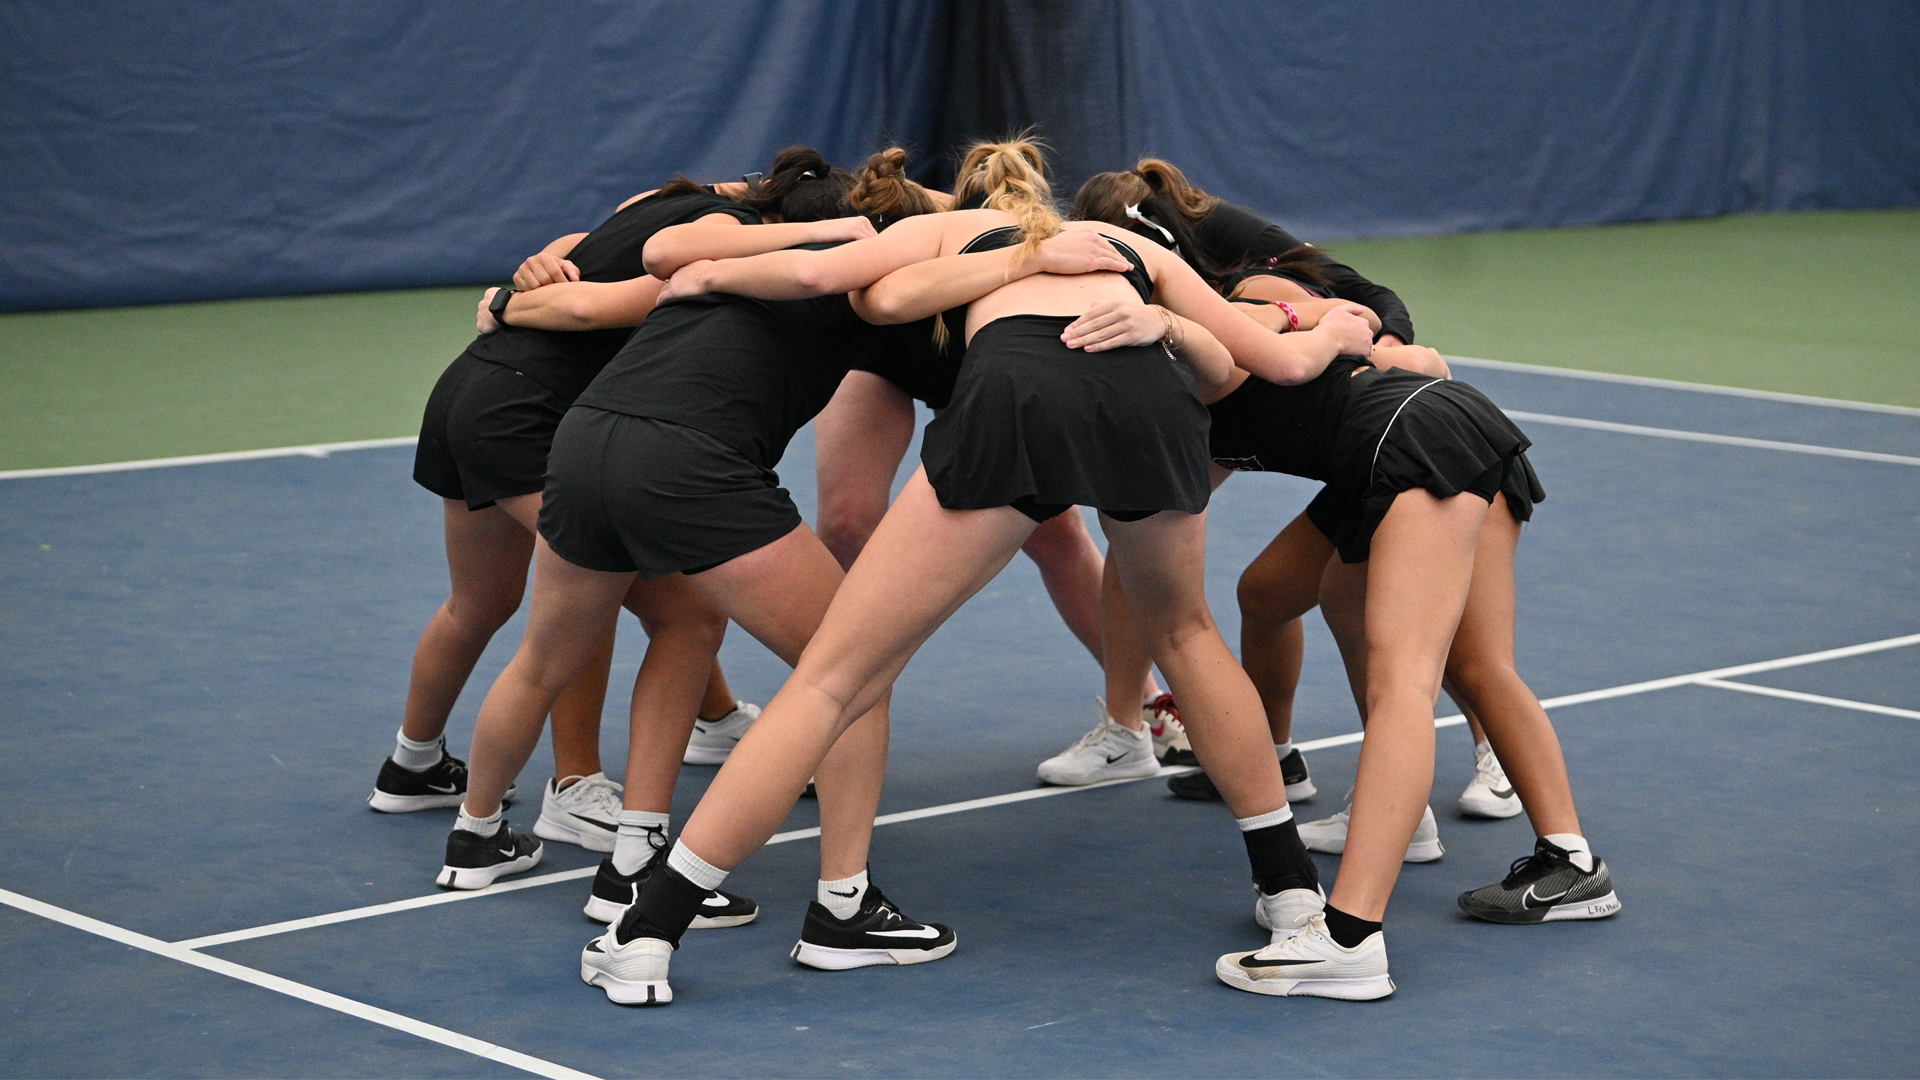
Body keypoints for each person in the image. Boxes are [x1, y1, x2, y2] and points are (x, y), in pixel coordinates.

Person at [592, 137, 1371, 1006]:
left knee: (832, 678)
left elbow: (843, 286)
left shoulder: (956, 231)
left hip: (1021, 398)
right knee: (1187, 634)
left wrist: (708, 278)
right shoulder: (1134, 250)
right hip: (1150, 402)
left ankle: (649, 928)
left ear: (965, 199)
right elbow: (1262, 369)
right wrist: (1324, 324)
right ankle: (1291, 888)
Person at [369, 153, 860, 842]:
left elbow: (569, 250)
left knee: (481, 602)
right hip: (528, 416)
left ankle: (413, 764)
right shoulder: (710, 250)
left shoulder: (656, 198)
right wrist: (510, 301)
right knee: (610, 590)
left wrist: (525, 275)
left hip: (467, 393)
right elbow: (583, 301)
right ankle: (575, 784)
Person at [648, 151, 1192, 769]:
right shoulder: (786, 214)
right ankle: (824, 709)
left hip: (974, 343)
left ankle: (1149, 702)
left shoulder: (943, 213)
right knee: (848, 524)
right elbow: (670, 235)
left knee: (1056, 534)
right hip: (875, 349)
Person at [1068, 158, 1521, 822]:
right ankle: (1270, 757)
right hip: (1359, 471)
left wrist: (1344, 338)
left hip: (1439, 465)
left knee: (1442, 646)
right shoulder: (1180, 340)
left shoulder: (1251, 290)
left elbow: (1416, 362)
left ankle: (1489, 763)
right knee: (1263, 594)